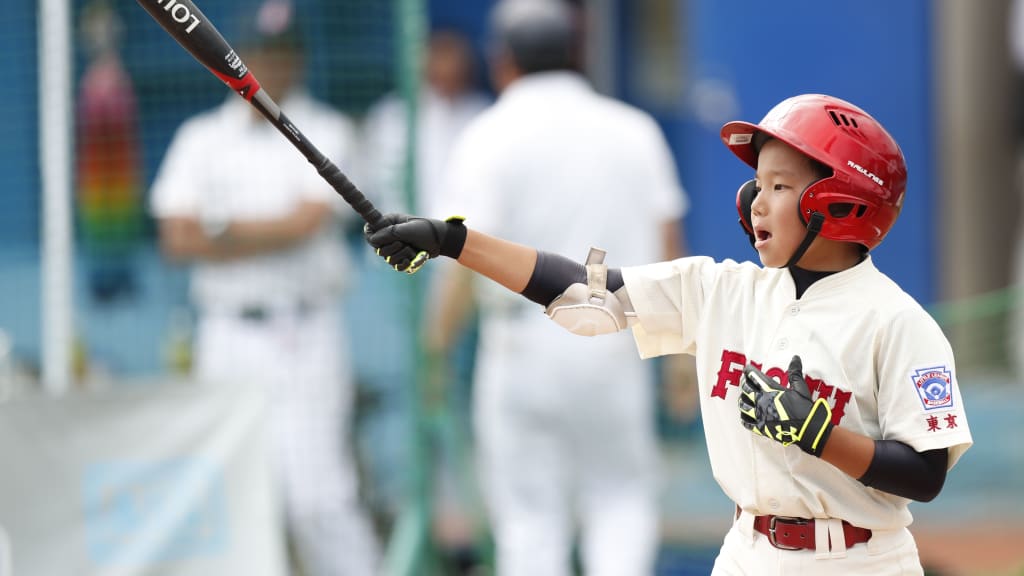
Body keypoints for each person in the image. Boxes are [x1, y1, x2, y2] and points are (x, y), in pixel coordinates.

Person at [364, 91, 974, 575]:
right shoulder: (722, 290)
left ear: (841, 203)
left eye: (780, 187)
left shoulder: (897, 322)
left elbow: (924, 474)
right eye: (756, 186)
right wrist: (453, 241)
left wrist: (819, 434)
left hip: (860, 561)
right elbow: (583, 289)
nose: (756, 203)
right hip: (747, 553)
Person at [418, 1, 689, 574]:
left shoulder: (486, 135)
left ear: (503, 62)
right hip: (613, 338)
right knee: (620, 501)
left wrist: (437, 349)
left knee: (529, 522)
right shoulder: (633, 128)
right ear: (575, 53)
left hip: (521, 345)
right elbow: (669, 244)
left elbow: (462, 250)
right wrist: (680, 358)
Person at [148, 1, 380, 575]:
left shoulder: (324, 128)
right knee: (230, 496)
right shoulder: (201, 137)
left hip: (302, 330)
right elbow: (174, 239)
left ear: (297, 60)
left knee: (316, 498)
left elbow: (306, 222)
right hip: (226, 334)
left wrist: (219, 229)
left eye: (282, 53)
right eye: (260, 53)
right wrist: (259, 229)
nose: (269, 65)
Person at [361, 27, 491, 217]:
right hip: (403, 229)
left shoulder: (481, 110)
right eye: (439, 56)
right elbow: (374, 182)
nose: (446, 67)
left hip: (470, 229)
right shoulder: (392, 114)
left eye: (453, 57)